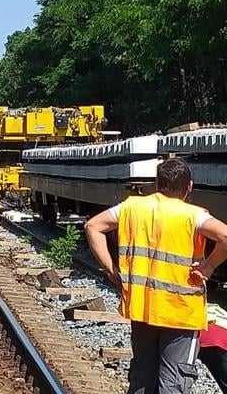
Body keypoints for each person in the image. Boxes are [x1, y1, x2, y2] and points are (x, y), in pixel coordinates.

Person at [85, 158, 227, 394]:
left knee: (142, 379)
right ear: (189, 187)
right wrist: (209, 267)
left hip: (142, 309)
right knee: (173, 383)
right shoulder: (193, 215)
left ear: (157, 184)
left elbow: (93, 226)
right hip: (181, 314)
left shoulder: (131, 208)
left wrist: (111, 269)